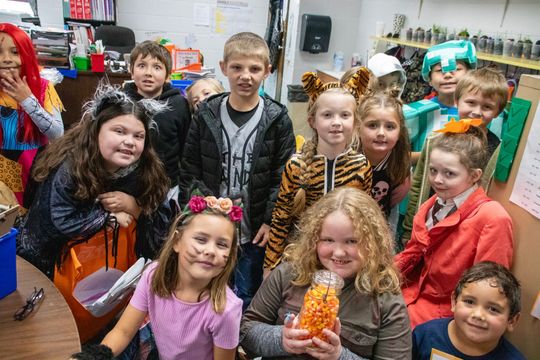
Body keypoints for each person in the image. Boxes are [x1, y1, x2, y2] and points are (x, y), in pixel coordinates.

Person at [17, 85, 173, 342]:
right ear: (97, 130)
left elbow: (161, 226)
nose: (129, 142)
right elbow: (57, 220)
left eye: (138, 136)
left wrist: (135, 207)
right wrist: (108, 216)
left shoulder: (145, 171)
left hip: (107, 278)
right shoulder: (68, 167)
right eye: (119, 131)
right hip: (52, 273)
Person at [179, 32, 296, 309]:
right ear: (223, 68)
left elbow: (284, 176)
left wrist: (270, 220)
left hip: (253, 229)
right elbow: (189, 168)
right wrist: (200, 204)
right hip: (211, 225)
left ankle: (237, 347)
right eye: (237, 68)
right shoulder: (206, 113)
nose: (246, 76)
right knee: (205, 290)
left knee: (245, 295)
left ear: (267, 71)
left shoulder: (277, 119)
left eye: (255, 69)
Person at [241, 187, 412, 359]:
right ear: (314, 239)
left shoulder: (386, 300)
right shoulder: (288, 274)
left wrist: (339, 356)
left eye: (352, 241)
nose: (338, 253)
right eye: (328, 240)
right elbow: (245, 332)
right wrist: (281, 340)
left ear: (373, 243)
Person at [72, 195, 244, 360]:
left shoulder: (226, 310)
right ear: (177, 241)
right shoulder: (152, 275)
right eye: (201, 239)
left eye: (222, 244)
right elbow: (123, 331)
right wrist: (97, 355)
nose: (210, 251)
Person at [394, 120, 513, 329]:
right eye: (433, 170)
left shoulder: (493, 219)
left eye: (449, 173)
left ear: (475, 176)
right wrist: (380, 274)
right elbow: (413, 252)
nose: (437, 180)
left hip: (446, 313)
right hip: (411, 294)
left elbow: (488, 289)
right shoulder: (433, 203)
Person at [264, 68, 373, 273]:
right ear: (312, 121)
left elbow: (364, 221)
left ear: (356, 122)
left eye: (344, 115)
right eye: (327, 115)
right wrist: (270, 266)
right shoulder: (296, 166)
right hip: (300, 259)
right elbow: (281, 219)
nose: (336, 123)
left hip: (343, 261)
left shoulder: (361, 167)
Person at [402, 67, 509, 242]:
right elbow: (419, 184)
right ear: (457, 101)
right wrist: (408, 230)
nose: (477, 112)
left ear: (498, 112)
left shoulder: (497, 151)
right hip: (428, 225)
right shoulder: (435, 139)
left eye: (487, 107)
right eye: (471, 102)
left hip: (464, 234)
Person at [0, 23, 64, 206]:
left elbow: (57, 134)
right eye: (0, 52)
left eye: (14, 52)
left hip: (34, 173)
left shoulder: (43, 88)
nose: (6, 59)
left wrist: (27, 99)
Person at [123, 40, 191, 203]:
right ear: (131, 71)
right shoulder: (120, 103)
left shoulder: (179, 105)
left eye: (157, 67)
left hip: (167, 186)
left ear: (168, 75)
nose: (149, 73)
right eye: (141, 66)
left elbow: (186, 148)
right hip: (127, 185)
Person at [413, 261, 526, 359]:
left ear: (512, 320)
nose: (478, 315)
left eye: (493, 309)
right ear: (454, 301)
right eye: (469, 302)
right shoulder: (424, 336)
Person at [356, 88, 410, 218]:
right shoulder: (346, 160)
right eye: (372, 125)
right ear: (358, 127)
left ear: (400, 132)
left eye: (390, 127)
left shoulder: (398, 163)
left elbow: (392, 208)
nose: (381, 133)